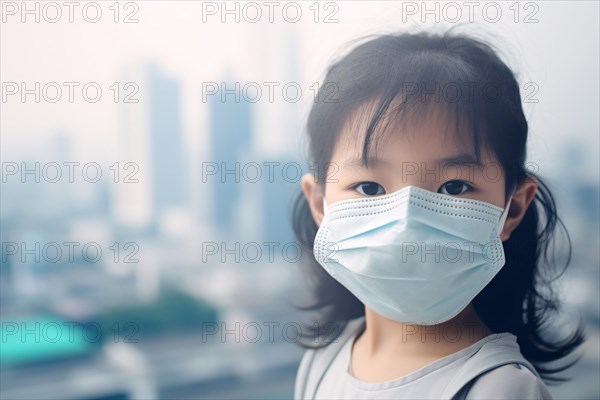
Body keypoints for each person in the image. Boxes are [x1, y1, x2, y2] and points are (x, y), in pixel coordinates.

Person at [291, 28, 585, 399]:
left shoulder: (501, 390)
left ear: (514, 209)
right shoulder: (322, 360)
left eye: (454, 187)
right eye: (369, 188)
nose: (405, 225)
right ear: (319, 204)